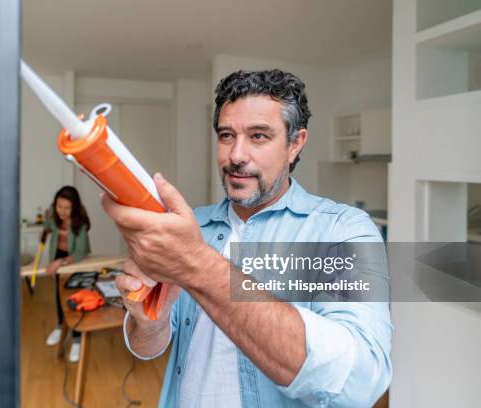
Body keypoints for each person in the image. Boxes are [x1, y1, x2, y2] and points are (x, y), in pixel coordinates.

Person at [103, 70, 392, 407]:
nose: (236, 155)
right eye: (227, 135)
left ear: (295, 144)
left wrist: (197, 265)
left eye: (258, 136)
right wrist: (147, 318)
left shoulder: (343, 230)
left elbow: (360, 382)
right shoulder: (191, 226)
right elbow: (147, 347)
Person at [43, 186, 91, 363]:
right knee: (58, 295)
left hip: (73, 260)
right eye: (58, 206)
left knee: (74, 297)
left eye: (66, 207)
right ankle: (59, 325)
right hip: (58, 257)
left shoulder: (81, 223)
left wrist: (61, 262)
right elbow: (48, 226)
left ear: (75, 207)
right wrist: (47, 220)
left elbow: (80, 252)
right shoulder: (55, 217)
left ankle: (77, 338)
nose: (62, 211)